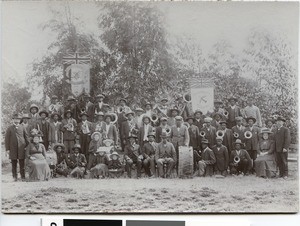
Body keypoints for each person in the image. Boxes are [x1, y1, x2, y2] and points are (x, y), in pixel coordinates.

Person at [5, 113, 30, 181]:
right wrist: (7, 149)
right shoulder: (9, 128)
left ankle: (23, 176)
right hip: (13, 148)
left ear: (20, 120)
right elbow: (6, 140)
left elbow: (26, 137)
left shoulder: (23, 127)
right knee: (14, 163)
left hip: (21, 148)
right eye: (15, 119)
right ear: (13, 120)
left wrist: (27, 146)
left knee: (22, 163)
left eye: (18, 119)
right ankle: (14, 177)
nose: (17, 120)